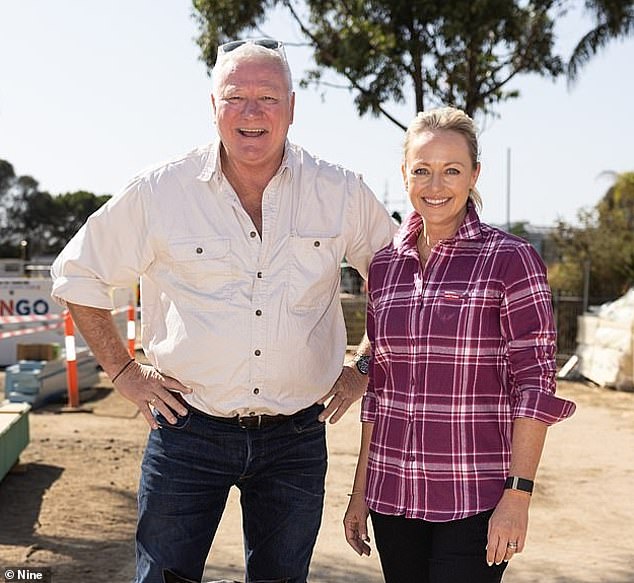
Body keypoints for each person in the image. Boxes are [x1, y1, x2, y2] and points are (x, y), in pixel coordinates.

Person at [51, 38, 397, 583]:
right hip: (186, 431)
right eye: (236, 97)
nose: (252, 112)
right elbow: (78, 274)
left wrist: (364, 368)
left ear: (292, 107)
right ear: (212, 106)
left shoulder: (341, 192)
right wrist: (125, 373)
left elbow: (407, 285)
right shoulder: (161, 191)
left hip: (296, 437)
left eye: (268, 97)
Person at [343, 106, 576, 583]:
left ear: (474, 174)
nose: (436, 185)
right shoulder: (385, 268)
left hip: (475, 497)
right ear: (404, 174)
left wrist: (518, 496)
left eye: (451, 171)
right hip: (394, 496)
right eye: (422, 170)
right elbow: (379, 391)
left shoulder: (511, 260)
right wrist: (360, 489)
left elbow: (535, 385)